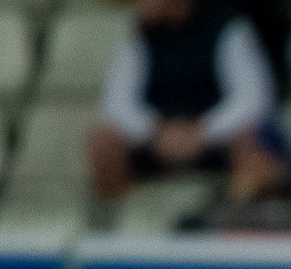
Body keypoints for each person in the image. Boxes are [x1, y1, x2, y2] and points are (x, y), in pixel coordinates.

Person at [89, 0, 276, 207]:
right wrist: (156, 132)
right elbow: (117, 103)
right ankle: (114, 223)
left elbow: (252, 98)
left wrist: (203, 132)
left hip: (215, 143)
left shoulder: (228, 27)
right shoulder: (140, 34)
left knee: (253, 144)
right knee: (102, 141)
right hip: (156, 144)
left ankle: (233, 216)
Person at [177, 124, 291, 233]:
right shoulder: (209, 196)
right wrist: (237, 195)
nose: (251, 164)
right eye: (244, 154)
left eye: (263, 158)